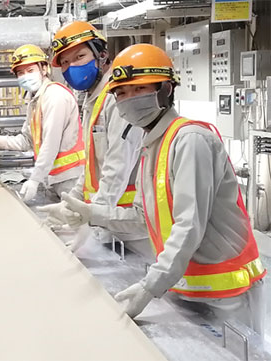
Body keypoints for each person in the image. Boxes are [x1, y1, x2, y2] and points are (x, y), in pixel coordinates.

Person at [61, 44, 266, 331]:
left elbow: (188, 226)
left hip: (226, 294)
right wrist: (92, 214)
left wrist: (150, 286)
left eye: (139, 89)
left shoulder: (190, 140)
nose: (128, 99)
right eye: (121, 93)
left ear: (166, 89)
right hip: (187, 287)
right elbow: (144, 217)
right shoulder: (152, 146)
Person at [37, 21, 145, 249]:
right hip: (112, 222)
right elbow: (93, 167)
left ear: (102, 55)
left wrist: (91, 219)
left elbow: (117, 169)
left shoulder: (118, 98)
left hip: (135, 230)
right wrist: (72, 203)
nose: (71, 66)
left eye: (79, 57)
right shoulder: (92, 99)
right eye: (65, 62)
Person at [0, 44, 83, 202]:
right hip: (53, 177)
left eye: (30, 71)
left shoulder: (55, 96)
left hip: (71, 178)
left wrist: (35, 179)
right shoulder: (36, 100)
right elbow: (27, 140)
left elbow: (51, 143)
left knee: (73, 222)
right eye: (20, 73)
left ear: (44, 69)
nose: (25, 76)